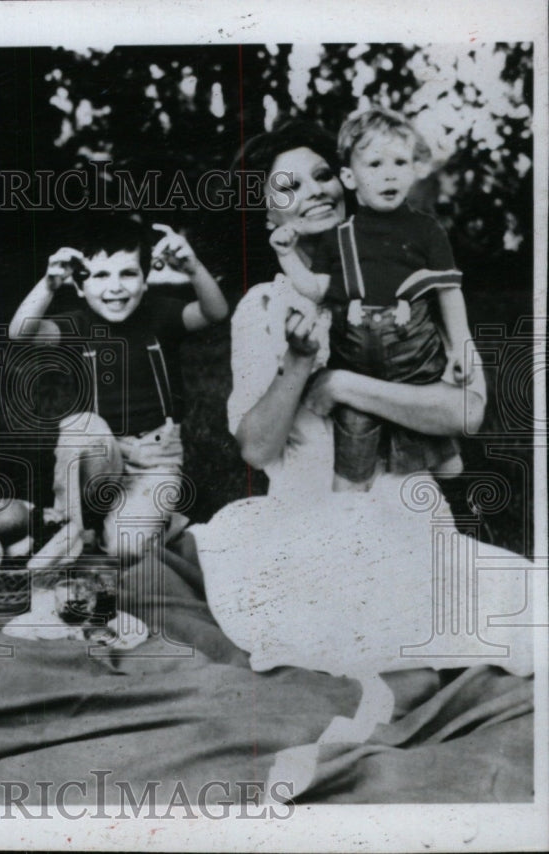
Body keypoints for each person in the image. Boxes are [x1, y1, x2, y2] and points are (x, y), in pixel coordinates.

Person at [190, 119, 532, 687]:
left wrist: (345, 385)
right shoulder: (262, 306)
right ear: (267, 217)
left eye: (323, 175)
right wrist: (299, 366)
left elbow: (466, 413)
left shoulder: (406, 284)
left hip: (408, 518)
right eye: (288, 188)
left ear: (346, 180)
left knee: (517, 614)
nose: (315, 192)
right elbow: (256, 447)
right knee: (359, 638)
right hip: (308, 525)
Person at [270, 107, 476, 491]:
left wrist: (462, 345)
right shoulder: (339, 238)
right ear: (349, 177)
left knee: (448, 465)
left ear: (415, 169)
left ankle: (449, 481)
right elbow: (316, 288)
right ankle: (352, 497)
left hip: (413, 356)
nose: (389, 173)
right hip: (357, 359)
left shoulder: (426, 231)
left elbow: (449, 291)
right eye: (375, 164)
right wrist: (286, 256)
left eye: (400, 162)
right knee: (352, 464)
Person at [8, 214, 228, 563]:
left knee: (124, 549)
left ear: (145, 280)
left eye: (128, 273)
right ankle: (69, 528)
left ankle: (159, 521)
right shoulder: (78, 325)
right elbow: (19, 332)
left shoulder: (161, 315)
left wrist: (192, 266)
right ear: (79, 286)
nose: (116, 287)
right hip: (104, 452)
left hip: (156, 456)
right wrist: (49, 285)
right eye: (100, 275)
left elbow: (214, 312)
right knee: (79, 427)